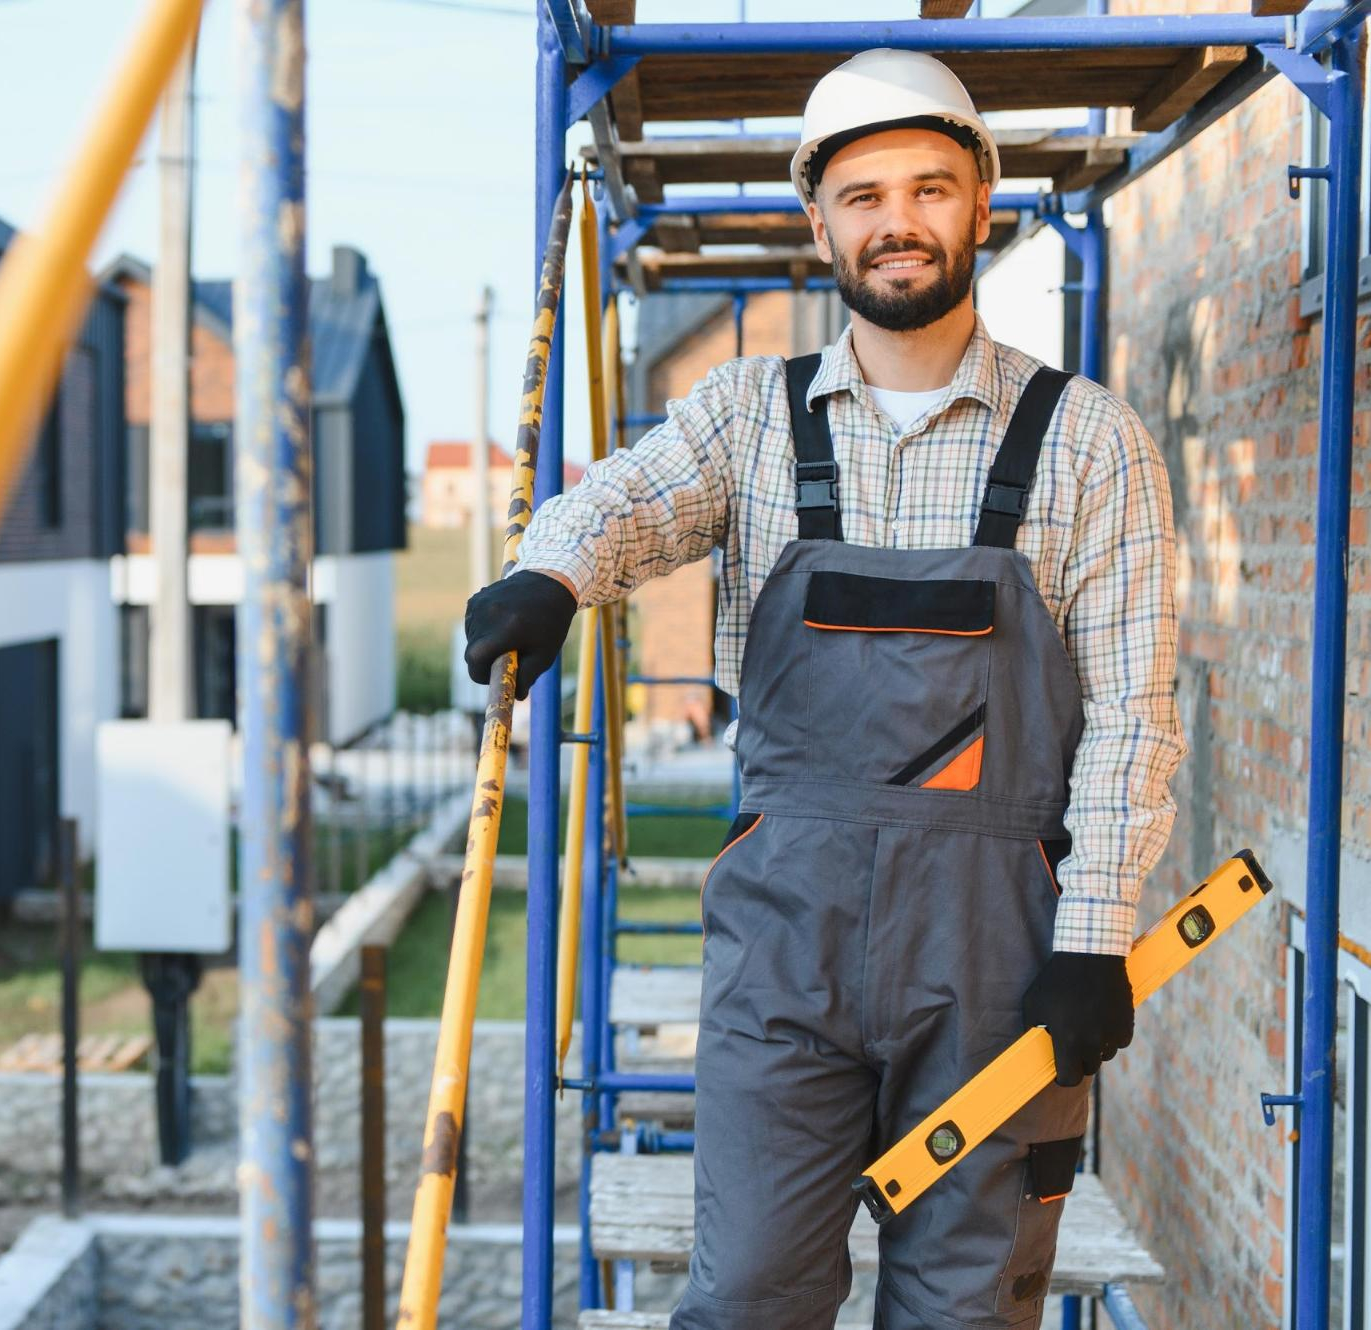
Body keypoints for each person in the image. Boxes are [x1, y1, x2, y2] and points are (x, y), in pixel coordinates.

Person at [463, 49, 1184, 1330]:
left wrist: (1090, 943)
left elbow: (1132, 715)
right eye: (862, 195)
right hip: (783, 956)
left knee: (965, 1309)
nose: (896, 221)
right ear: (820, 221)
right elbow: (628, 501)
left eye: (928, 188)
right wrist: (552, 577)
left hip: (998, 966)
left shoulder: (1091, 442)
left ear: (980, 203)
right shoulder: (748, 416)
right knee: (745, 1295)